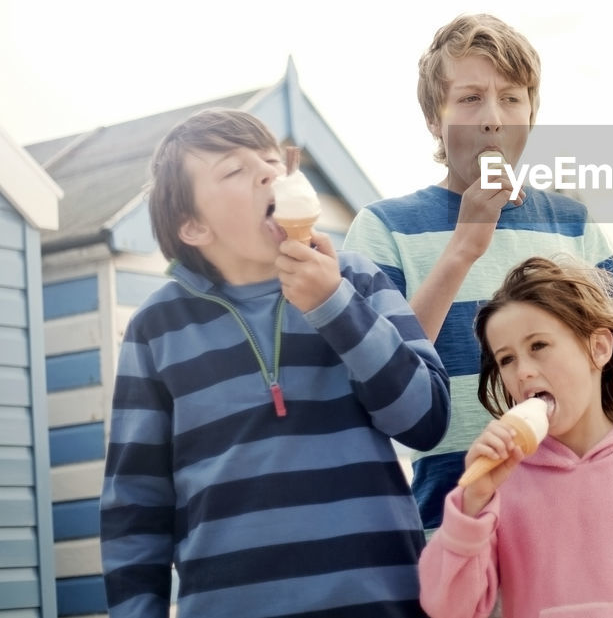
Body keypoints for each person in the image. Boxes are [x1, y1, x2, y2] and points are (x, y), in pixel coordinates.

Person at [99, 108, 450, 618]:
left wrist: (335, 305)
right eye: (234, 171)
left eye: (270, 160)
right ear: (193, 226)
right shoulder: (157, 328)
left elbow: (426, 419)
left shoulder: (354, 278)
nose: (267, 171)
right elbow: (135, 506)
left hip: (381, 602)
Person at [343, 13, 613, 532]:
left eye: (512, 98)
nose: (493, 117)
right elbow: (377, 381)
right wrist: (462, 250)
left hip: (581, 520)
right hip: (449, 525)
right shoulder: (384, 229)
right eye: (471, 98)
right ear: (435, 117)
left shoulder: (573, 225)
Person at [419, 257, 613, 618]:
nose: (523, 372)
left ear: (598, 348)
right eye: (506, 359)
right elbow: (447, 608)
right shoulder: (500, 483)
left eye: (538, 346)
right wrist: (473, 499)